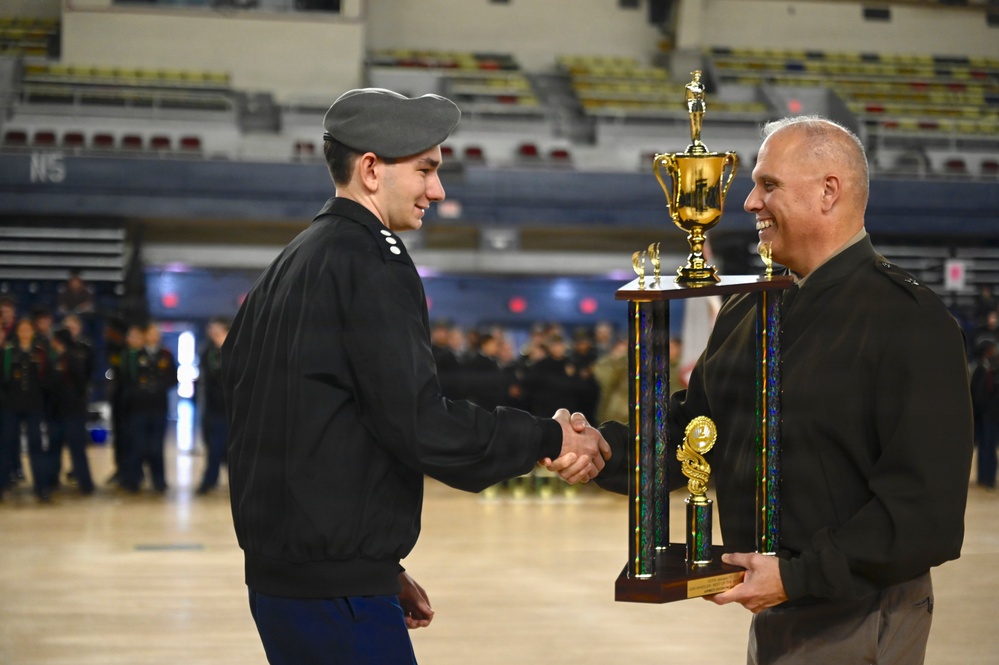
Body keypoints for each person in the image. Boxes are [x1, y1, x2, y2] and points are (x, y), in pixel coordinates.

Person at [221, 87, 608, 665]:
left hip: (288, 579)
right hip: (336, 591)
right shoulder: (373, 261)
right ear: (371, 170)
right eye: (426, 169)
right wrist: (548, 438)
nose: (438, 189)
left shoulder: (292, 261)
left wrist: (380, 567)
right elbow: (419, 422)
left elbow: (314, 427)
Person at [566, 116, 974, 664]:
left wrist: (799, 575)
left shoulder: (909, 320)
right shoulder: (748, 309)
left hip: (857, 611)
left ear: (829, 191)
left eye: (768, 185)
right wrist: (603, 449)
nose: (750, 202)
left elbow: (926, 513)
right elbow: (697, 435)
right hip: (777, 605)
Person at [118, 322, 177, 493]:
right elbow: (127, 378)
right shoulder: (135, 355)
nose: (153, 336)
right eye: (149, 333)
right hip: (138, 407)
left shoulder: (165, 354)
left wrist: (158, 386)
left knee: (157, 446)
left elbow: (173, 377)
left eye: (155, 333)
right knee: (137, 445)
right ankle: (133, 480)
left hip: (158, 406)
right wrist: (140, 389)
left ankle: (159, 481)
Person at [0, 318, 55, 501]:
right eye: (21, 329)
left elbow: (47, 379)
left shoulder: (40, 352)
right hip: (11, 407)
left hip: (34, 406)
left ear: (32, 332)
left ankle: (41, 487)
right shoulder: (8, 352)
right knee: (6, 446)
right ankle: (3, 485)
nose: (24, 333)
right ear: (17, 332)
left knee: (36, 447)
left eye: (28, 329)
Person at [195, 317, 229, 495]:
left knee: (232, 450)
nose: (214, 335)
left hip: (232, 410)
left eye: (218, 331)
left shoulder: (236, 352)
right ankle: (210, 480)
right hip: (213, 409)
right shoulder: (208, 352)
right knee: (214, 446)